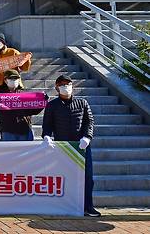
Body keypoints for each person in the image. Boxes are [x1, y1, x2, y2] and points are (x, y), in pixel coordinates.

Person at [42, 75, 99, 217]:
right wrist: (46, 136)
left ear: (73, 86)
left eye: (68, 84)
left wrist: (87, 137)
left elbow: (89, 121)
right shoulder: (52, 105)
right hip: (63, 146)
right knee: (64, 177)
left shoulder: (82, 103)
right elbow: (47, 125)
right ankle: (64, 206)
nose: (65, 87)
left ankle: (88, 207)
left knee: (87, 178)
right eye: (62, 84)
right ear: (56, 88)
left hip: (82, 146)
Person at [0, 70, 44, 141]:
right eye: (11, 79)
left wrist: (42, 102)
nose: (14, 81)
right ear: (5, 81)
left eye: (16, 79)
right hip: (8, 131)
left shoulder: (25, 95)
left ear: (19, 80)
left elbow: (33, 111)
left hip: (25, 129)